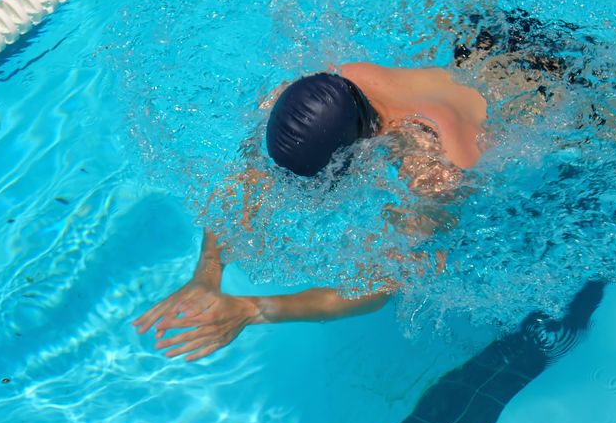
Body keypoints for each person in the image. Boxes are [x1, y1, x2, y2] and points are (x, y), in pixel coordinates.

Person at [132, 62, 489, 362]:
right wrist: (207, 273)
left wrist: (249, 309)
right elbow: (248, 178)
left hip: (536, 94)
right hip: (476, 57)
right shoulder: (322, 88)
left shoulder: (433, 170)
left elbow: (383, 283)